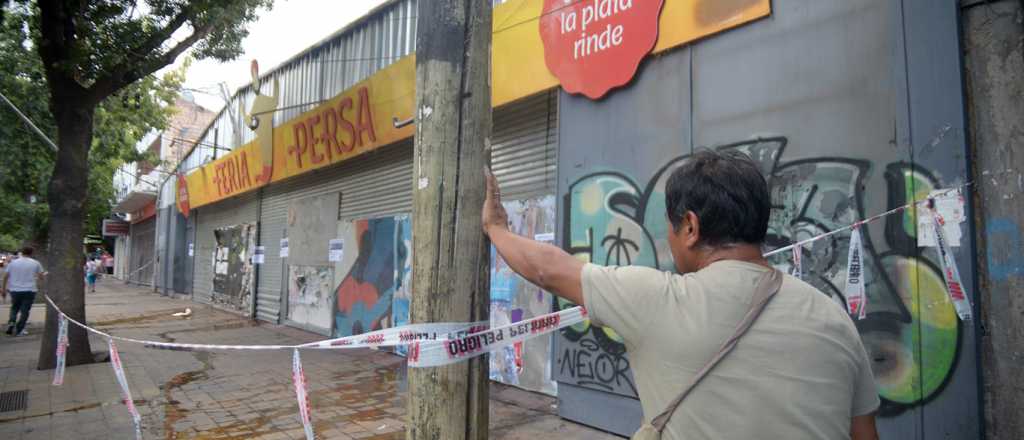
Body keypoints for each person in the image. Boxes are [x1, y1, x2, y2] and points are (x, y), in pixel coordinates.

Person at [481, 150, 880, 440]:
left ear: (690, 227)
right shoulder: (833, 318)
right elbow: (865, 434)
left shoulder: (659, 299)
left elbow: (548, 269)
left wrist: (497, 229)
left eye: (669, 227)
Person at [4, 246, 46, 336]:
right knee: (25, 310)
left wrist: (3, 288)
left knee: (14, 307)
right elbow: (41, 276)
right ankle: (20, 329)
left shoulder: (13, 263)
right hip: (29, 289)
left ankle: (12, 322)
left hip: (15, 289)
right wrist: (40, 279)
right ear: (32, 253)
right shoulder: (35, 263)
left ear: (22, 252)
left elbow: (6, 276)